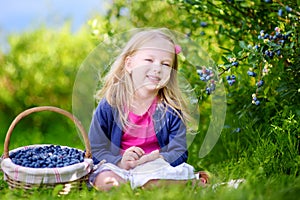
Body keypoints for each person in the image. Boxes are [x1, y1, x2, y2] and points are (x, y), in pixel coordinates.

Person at [88, 28, 209, 191]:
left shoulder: (170, 109)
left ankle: (191, 184)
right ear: (129, 64)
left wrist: (155, 157)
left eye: (166, 64)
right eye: (149, 60)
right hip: (119, 167)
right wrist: (119, 161)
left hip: (156, 168)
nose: (157, 68)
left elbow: (179, 151)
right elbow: (96, 148)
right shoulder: (111, 104)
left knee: (153, 180)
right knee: (105, 180)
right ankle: (138, 187)